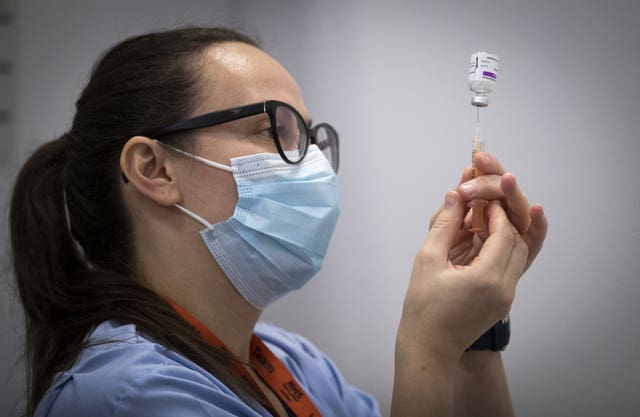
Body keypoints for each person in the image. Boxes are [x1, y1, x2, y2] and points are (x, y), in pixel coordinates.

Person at [9, 26, 547, 417]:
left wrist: (474, 340)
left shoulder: (293, 362)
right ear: (154, 169)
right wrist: (426, 347)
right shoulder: (126, 397)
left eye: (312, 137)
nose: (311, 162)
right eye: (276, 129)